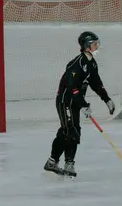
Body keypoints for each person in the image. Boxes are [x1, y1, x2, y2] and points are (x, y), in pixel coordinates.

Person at [44, 31, 116, 177]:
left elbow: (97, 84)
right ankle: (53, 162)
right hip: (65, 101)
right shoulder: (76, 64)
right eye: (94, 43)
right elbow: (73, 88)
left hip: (75, 103)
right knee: (69, 131)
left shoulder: (92, 64)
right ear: (86, 46)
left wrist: (107, 99)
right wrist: (84, 105)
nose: (97, 46)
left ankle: (68, 163)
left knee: (74, 132)